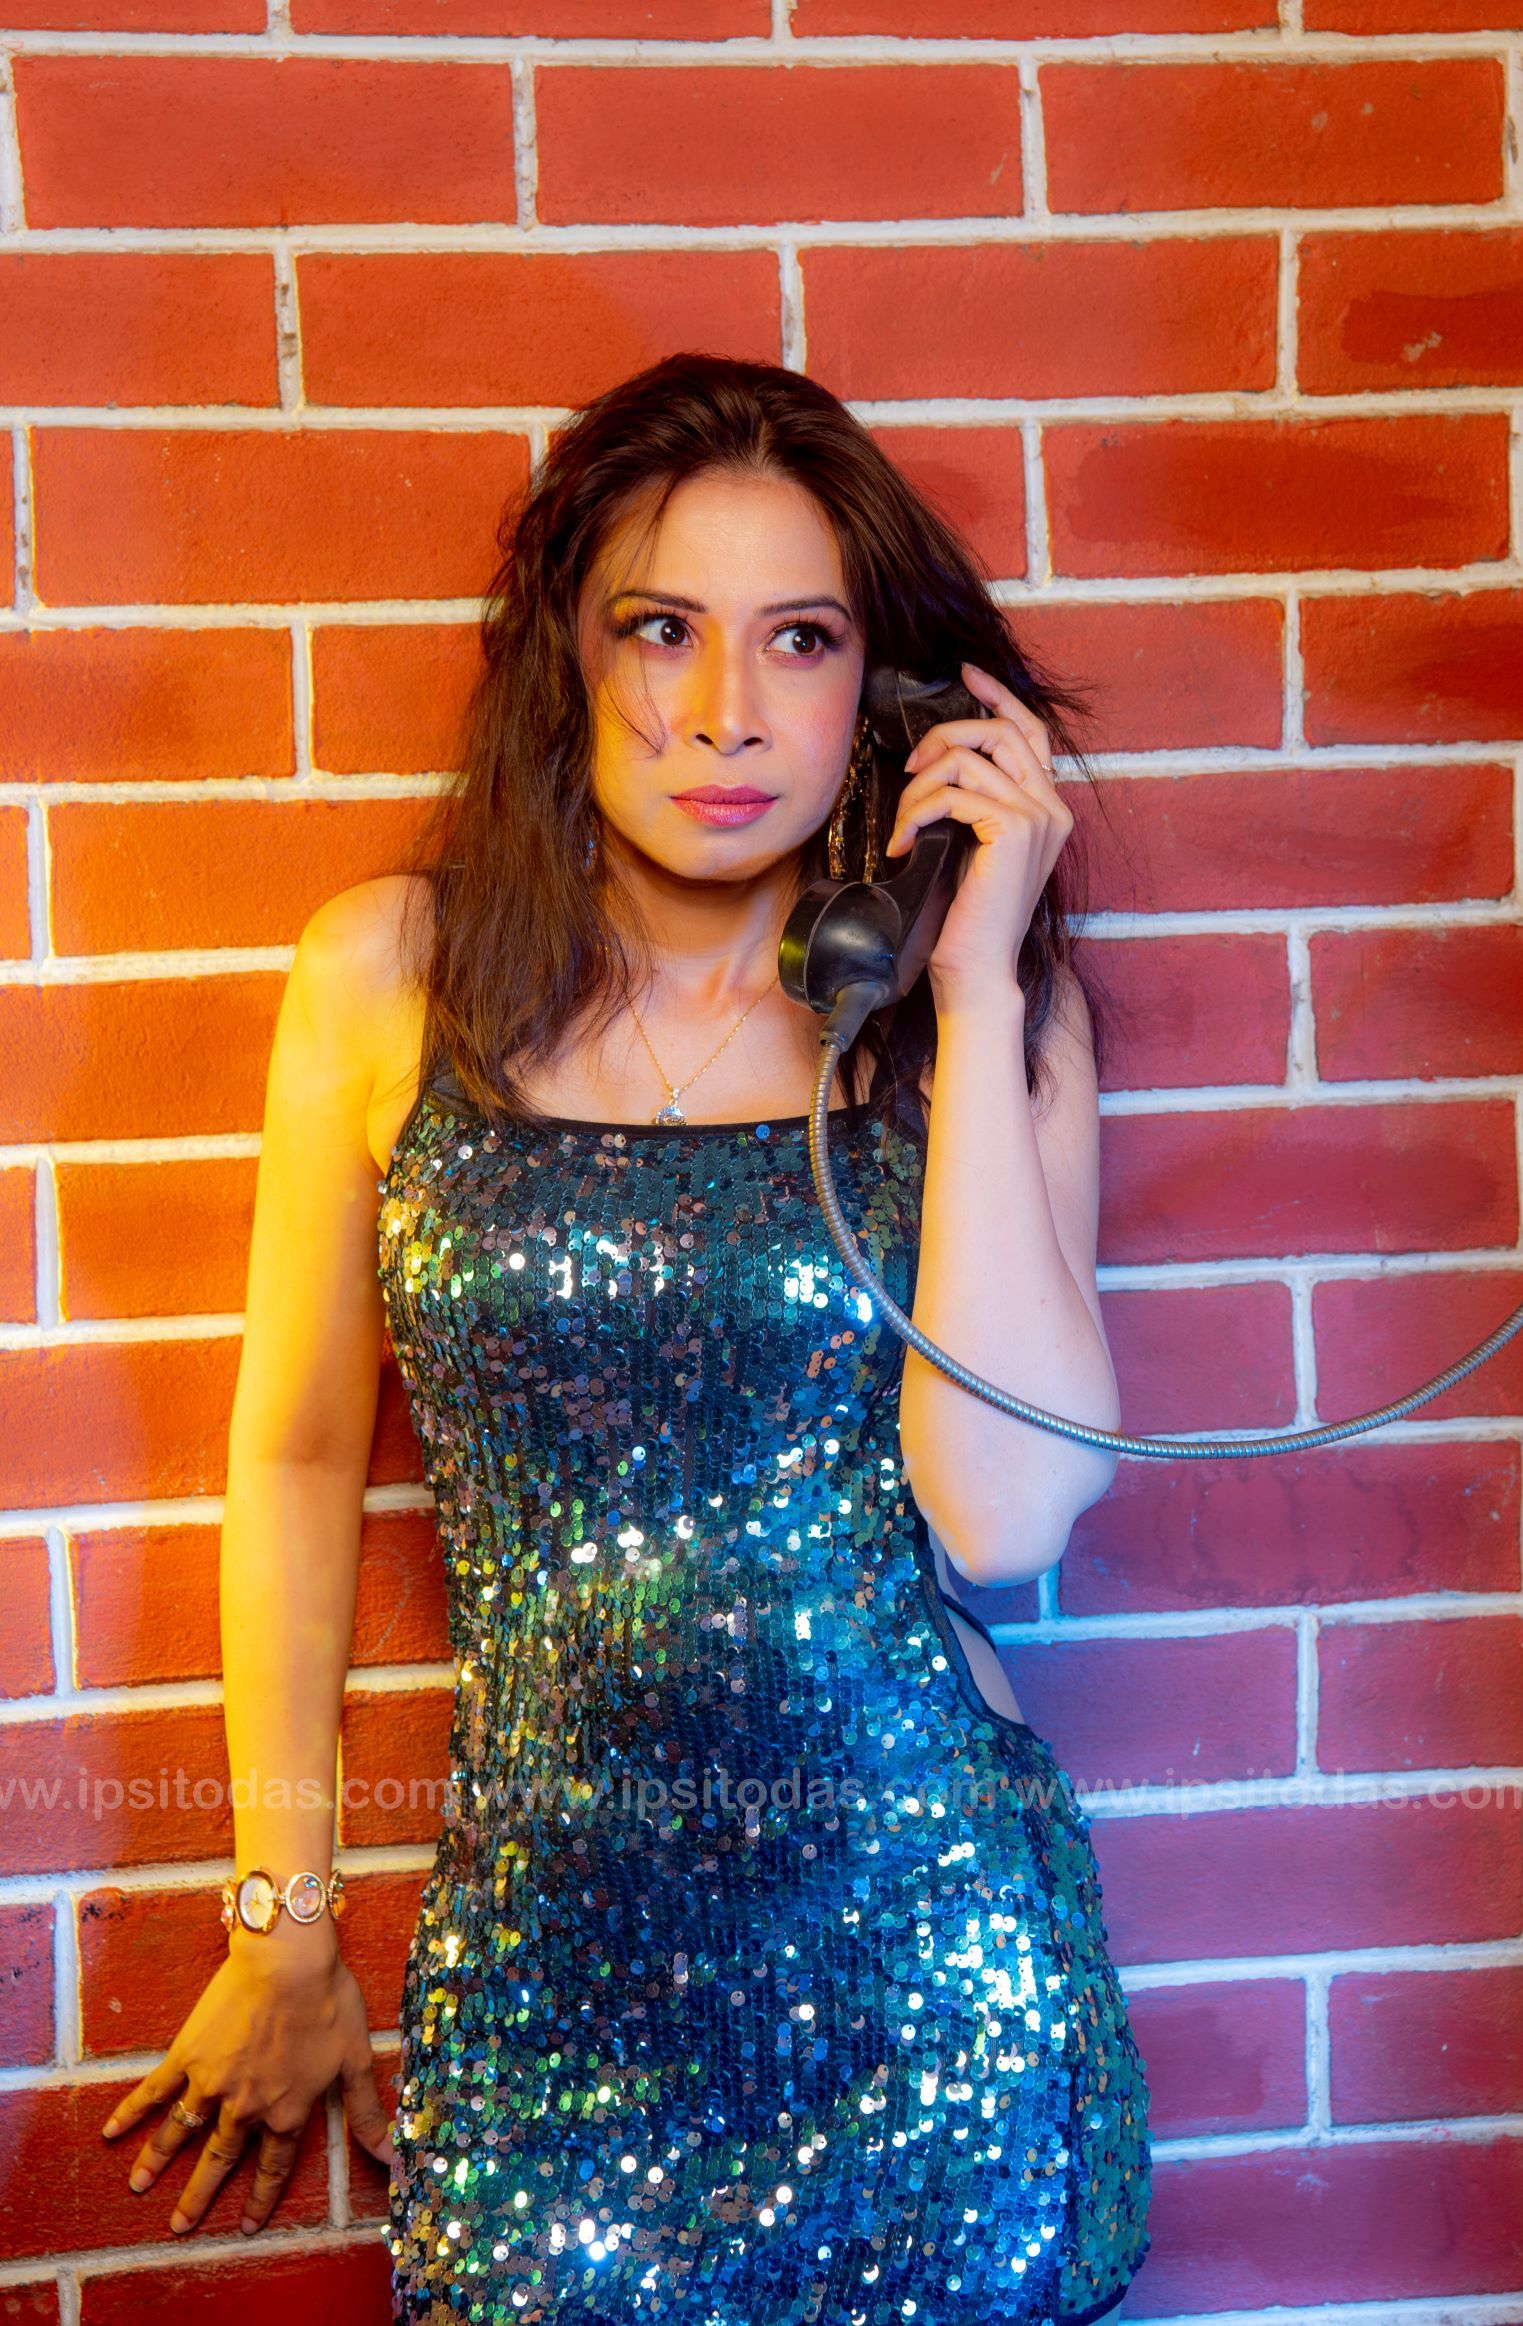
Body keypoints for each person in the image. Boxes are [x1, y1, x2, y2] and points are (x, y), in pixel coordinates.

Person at [98, 352, 1153, 2325]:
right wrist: (283, 1912)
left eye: (801, 640)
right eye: (661, 628)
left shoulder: (977, 1023)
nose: (725, 710)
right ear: (565, 658)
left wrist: (974, 983)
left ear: (891, 696)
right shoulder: (387, 977)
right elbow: (298, 1455)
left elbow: (1006, 1515)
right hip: (553, 1995)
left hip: (929, 1985)